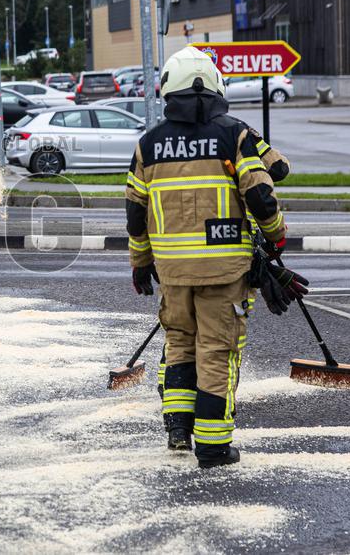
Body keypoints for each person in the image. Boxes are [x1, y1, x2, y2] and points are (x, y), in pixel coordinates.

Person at [125, 46, 304, 468]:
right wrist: (275, 238)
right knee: (217, 352)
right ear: (212, 85)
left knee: (180, 345)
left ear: (169, 88)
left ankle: (178, 430)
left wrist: (140, 262)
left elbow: (135, 212)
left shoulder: (147, 145)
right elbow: (261, 195)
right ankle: (212, 445)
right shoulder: (233, 135)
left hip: (172, 272)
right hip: (224, 270)